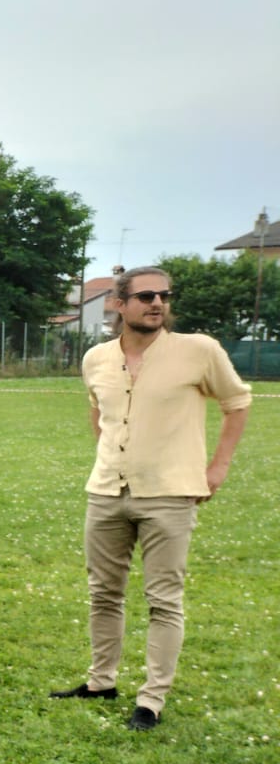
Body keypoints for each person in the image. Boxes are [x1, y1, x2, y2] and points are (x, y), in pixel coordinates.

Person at [50, 267, 250, 731]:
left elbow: (237, 402)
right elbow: (98, 413)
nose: (157, 303)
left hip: (170, 495)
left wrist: (217, 467)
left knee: (163, 600)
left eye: (163, 295)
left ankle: (151, 700)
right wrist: (111, 453)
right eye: (145, 296)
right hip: (106, 491)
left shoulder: (198, 351)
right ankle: (101, 682)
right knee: (103, 593)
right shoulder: (96, 358)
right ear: (119, 304)